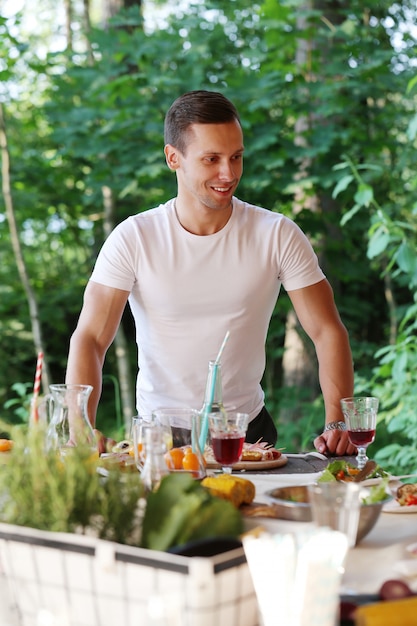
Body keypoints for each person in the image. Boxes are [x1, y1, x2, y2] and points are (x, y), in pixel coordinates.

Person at [66, 89, 356, 456]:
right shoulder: (134, 237)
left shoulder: (277, 234)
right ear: (174, 158)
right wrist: (81, 427)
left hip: (246, 434)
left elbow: (327, 330)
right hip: (158, 439)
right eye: (211, 159)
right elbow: (90, 337)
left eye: (236, 157)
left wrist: (337, 422)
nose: (228, 173)